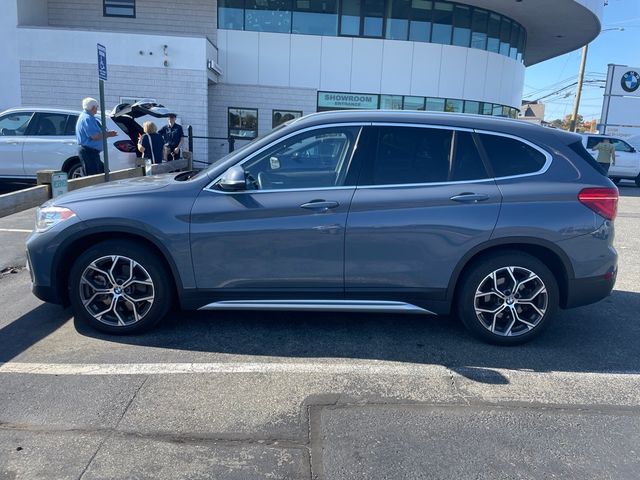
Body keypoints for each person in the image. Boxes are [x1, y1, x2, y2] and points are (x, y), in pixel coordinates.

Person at [75, 97, 117, 175]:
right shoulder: (87, 118)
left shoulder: (87, 117)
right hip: (89, 152)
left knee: (103, 173)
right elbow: (94, 136)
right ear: (93, 107)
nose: (97, 109)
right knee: (93, 177)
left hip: (91, 152)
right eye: (97, 107)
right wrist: (109, 134)